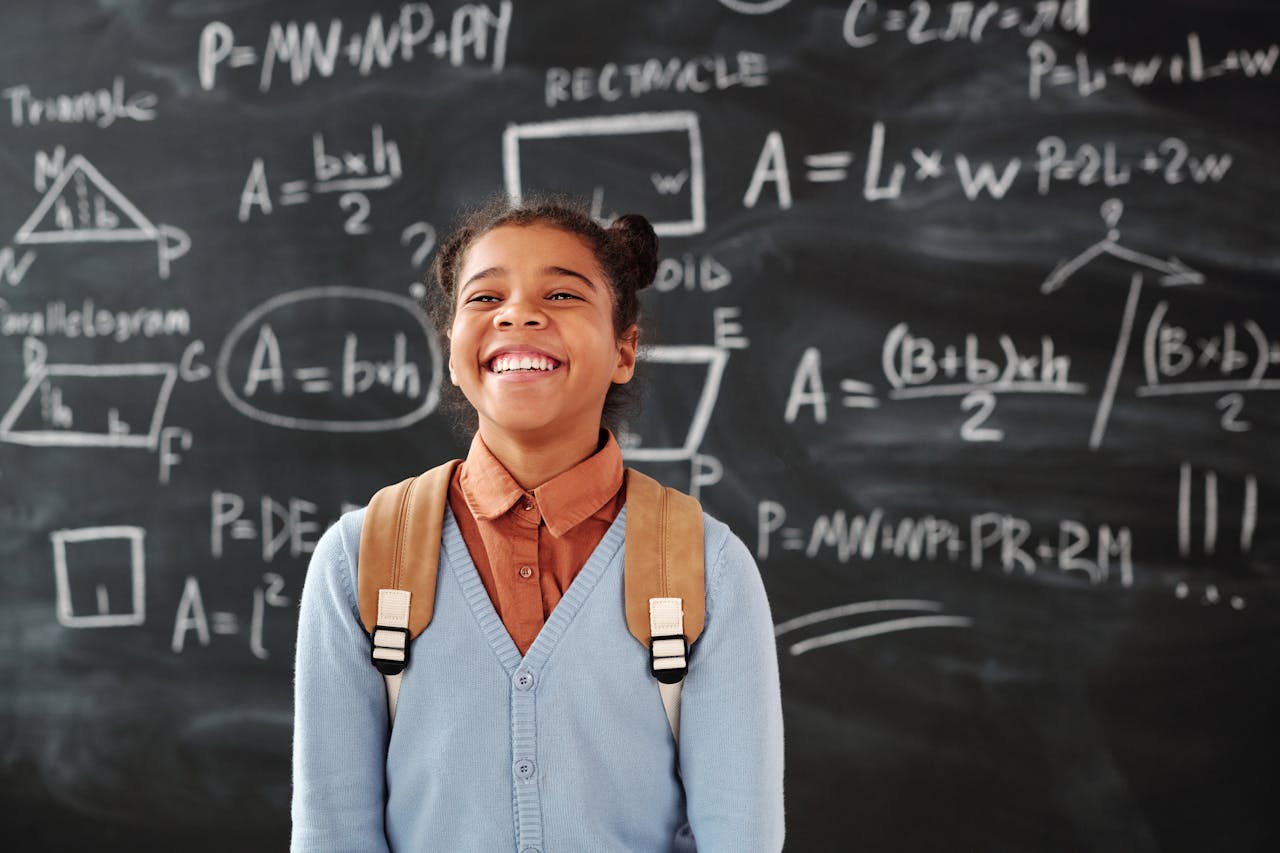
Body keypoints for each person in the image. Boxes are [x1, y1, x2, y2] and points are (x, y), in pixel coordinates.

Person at [291, 195, 784, 851]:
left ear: (624, 348)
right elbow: (334, 833)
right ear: (451, 348)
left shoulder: (703, 565)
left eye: (561, 295)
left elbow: (740, 836)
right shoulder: (359, 559)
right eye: (484, 297)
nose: (519, 313)